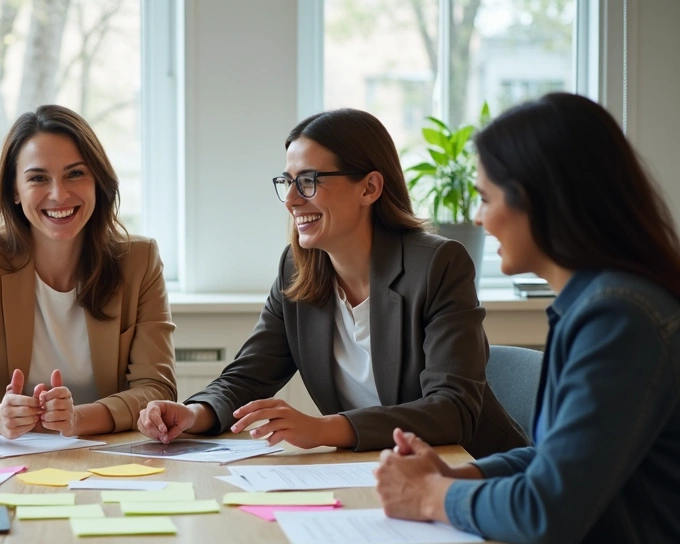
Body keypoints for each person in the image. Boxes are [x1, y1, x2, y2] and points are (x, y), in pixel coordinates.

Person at [374, 93, 680, 544]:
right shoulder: (594, 304)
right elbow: (552, 459)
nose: (477, 216)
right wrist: (457, 475)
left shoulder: (618, 316)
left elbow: (548, 507)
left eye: (486, 196)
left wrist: (429, 496)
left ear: (537, 201)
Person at [137, 108, 527, 458]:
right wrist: (192, 413)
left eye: (308, 181)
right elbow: (247, 377)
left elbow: (452, 410)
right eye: (286, 182)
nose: (291, 199)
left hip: (475, 470)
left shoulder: (438, 265)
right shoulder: (297, 268)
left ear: (369, 188)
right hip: (374, 470)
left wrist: (324, 428)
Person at [0, 104, 176, 439]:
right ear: (14, 190)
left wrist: (77, 419)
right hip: (13, 455)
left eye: (75, 173)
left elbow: (156, 390)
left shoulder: (139, 260)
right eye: (38, 178)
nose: (59, 194)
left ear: (98, 182)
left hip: (109, 453)